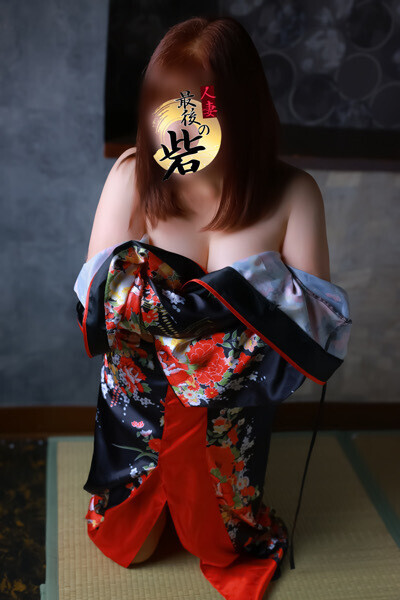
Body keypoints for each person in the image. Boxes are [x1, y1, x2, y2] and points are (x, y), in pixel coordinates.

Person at [74, 16, 352, 600]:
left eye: (196, 109)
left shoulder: (293, 192)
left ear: (239, 110)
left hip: (233, 409)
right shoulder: (132, 176)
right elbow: (94, 298)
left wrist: (228, 313)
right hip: (142, 399)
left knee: (223, 543)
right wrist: (201, 317)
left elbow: (317, 324)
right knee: (131, 546)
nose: (181, 127)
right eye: (167, 109)